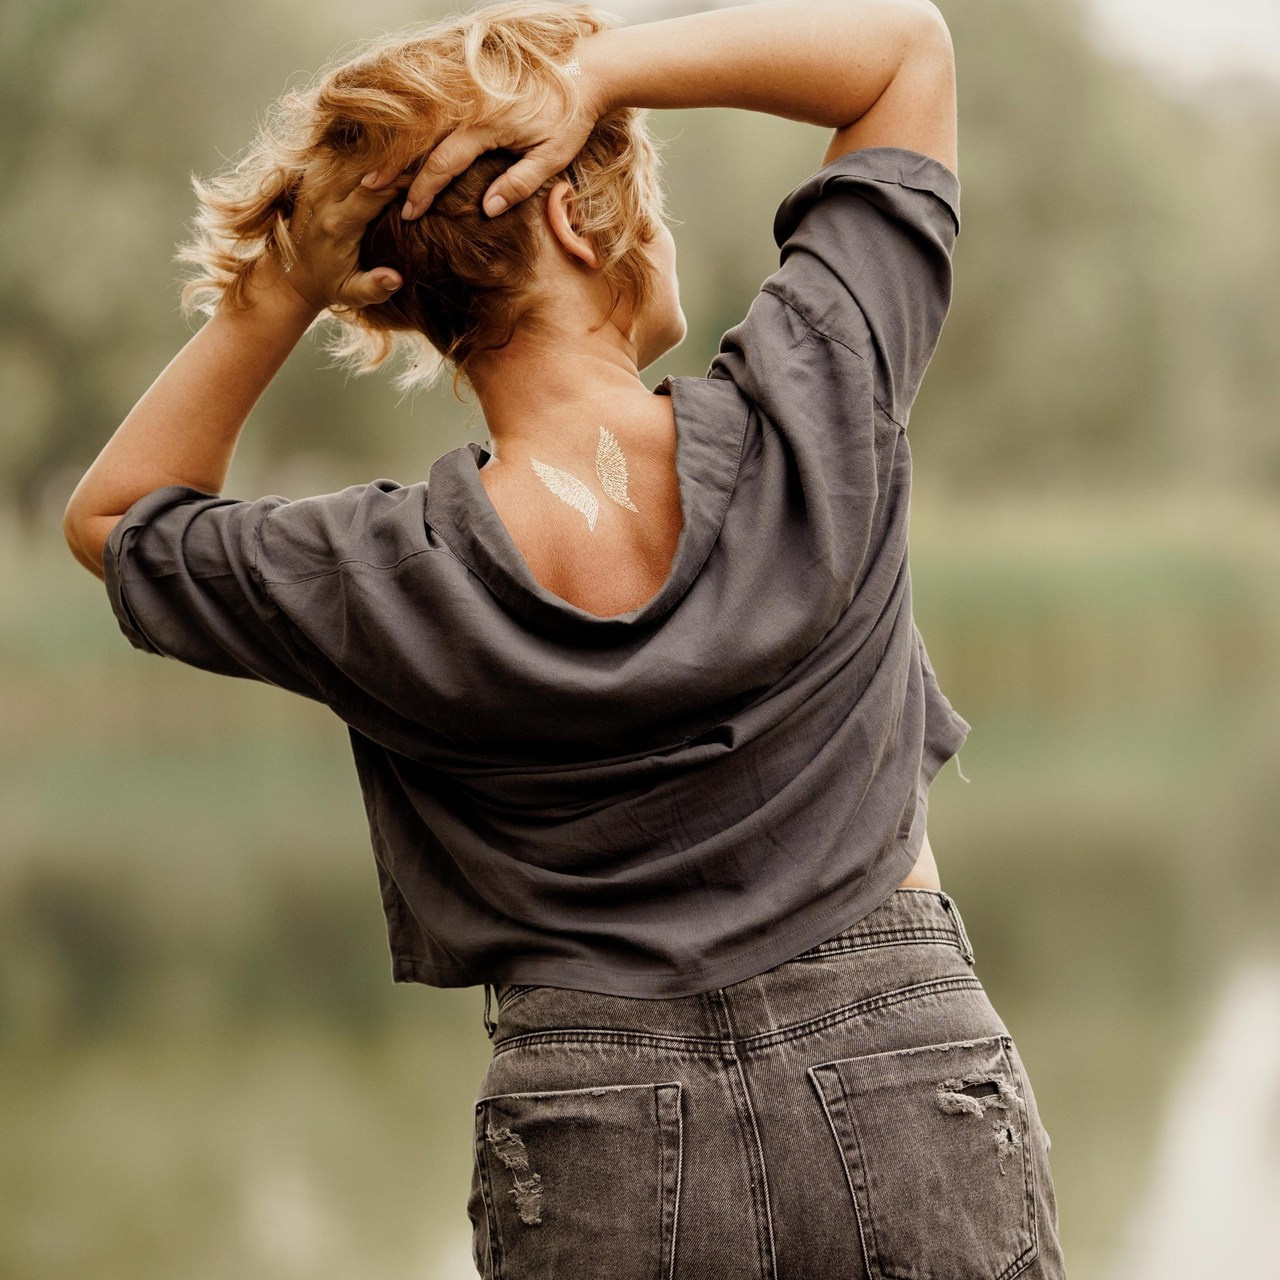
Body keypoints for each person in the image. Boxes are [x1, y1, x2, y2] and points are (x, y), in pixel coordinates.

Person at [63, 0, 1068, 1274]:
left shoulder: (373, 575)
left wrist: (276, 295)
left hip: (592, 1122)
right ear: (565, 212)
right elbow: (902, 51)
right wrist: (598, 72)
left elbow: (114, 516)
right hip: (897, 1069)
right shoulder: (813, 406)